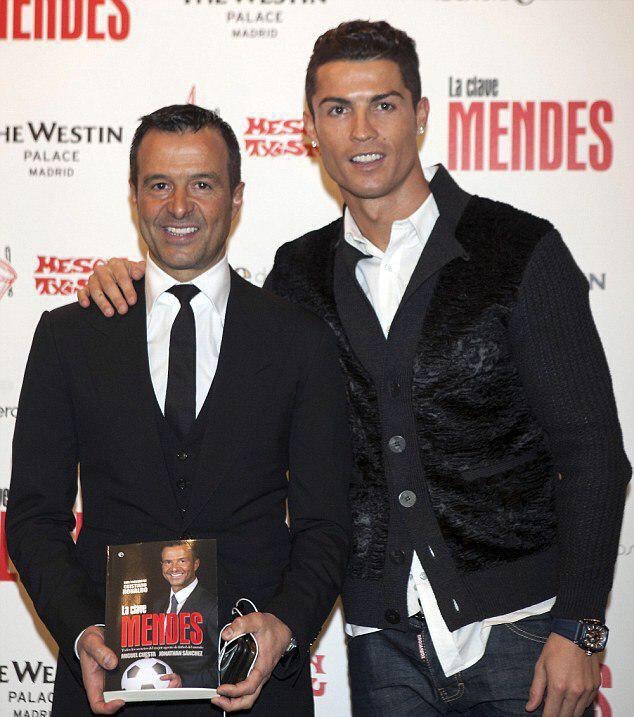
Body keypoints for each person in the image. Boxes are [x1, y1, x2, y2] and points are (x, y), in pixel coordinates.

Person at [78, 20, 631, 717]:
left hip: (525, 635)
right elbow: (209, 323)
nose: (362, 131)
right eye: (338, 109)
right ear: (311, 129)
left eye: (384, 104)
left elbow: (593, 452)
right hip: (380, 647)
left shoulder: (518, 249)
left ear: (421, 115)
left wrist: (580, 623)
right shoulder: (298, 275)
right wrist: (139, 287)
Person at [7, 103, 351, 717]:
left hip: (254, 686)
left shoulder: (299, 340)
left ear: (236, 197)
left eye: (203, 185)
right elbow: (34, 516)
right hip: (107, 682)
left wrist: (286, 625)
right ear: (134, 195)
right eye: (160, 185)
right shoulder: (71, 335)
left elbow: (327, 522)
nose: (179, 207)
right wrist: (82, 632)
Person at [152, 541, 218, 689]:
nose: (174, 568)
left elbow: (226, 663)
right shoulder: (158, 605)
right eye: (168, 562)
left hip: (198, 698)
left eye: (182, 561)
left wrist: (184, 682)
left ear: (196, 564)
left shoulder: (212, 606)